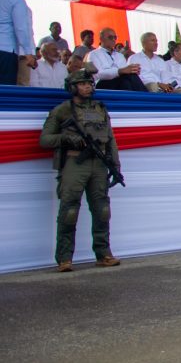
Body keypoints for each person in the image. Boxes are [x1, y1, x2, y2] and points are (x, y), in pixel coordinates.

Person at [38, 67, 122, 271]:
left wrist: (116, 166)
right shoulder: (63, 110)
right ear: (73, 87)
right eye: (83, 84)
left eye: (89, 83)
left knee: (102, 210)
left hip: (99, 164)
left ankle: (103, 254)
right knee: (69, 210)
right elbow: (45, 139)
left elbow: (110, 139)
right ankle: (64, 258)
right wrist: (66, 138)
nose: (87, 87)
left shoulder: (100, 108)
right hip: (75, 164)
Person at [0, 0, 34, 85]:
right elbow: (20, 28)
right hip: (7, 50)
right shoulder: (16, 0)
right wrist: (28, 53)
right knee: (6, 89)